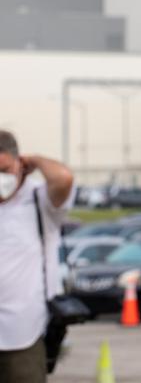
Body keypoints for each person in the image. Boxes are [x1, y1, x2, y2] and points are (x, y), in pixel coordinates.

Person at [0, 131, 74, 383]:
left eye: (5, 169)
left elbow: (64, 177)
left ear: (19, 164)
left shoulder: (38, 199)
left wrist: (35, 160)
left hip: (22, 335)